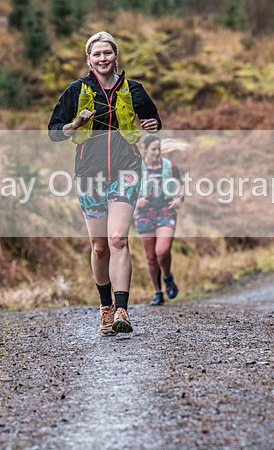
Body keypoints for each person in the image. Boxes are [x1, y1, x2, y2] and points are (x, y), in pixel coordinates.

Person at [48, 31, 161, 336]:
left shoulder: (133, 89)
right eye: (96, 54)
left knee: (117, 240)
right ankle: (105, 308)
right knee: (99, 247)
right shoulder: (76, 90)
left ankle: (122, 308)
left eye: (107, 53)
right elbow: (54, 130)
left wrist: (152, 124)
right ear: (89, 59)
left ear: (115, 56)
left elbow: (152, 119)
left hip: (126, 170)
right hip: (89, 174)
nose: (102, 59)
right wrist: (76, 124)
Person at [134, 135, 182, 306]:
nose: (157, 152)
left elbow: (180, 187)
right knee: (151, 257)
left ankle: (168, 276)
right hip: (144, 214)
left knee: (162, 251)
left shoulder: (169, 166)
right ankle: (157, 292)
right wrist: (136, 201)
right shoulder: (136, 168)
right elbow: (126, 189)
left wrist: (178, 199)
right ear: (145, 149)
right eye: (153, 149)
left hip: (165, 212)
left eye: (159, 149)